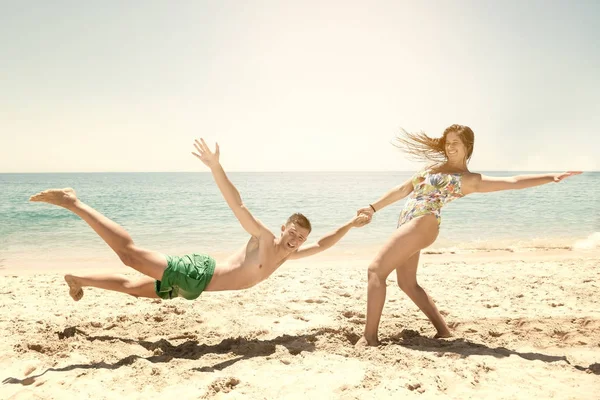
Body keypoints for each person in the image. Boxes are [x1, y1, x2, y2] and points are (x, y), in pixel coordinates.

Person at [29, 139, 368, 302]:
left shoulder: (291, 253)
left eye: (300, 237)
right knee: (129, 255)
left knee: (133, 288)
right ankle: (73, 202)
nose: (295, 240)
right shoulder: (265, 238)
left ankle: (78, 280)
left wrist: (351, 225)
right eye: (293, 232)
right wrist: (216, 168)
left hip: (195, 288)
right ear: (283, 228)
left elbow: (324, 244)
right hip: (197, 274)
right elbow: (239, 206)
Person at [354, 124, 581, 346]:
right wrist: (373, 208)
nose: (450, 147)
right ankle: (444, 331)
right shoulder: (432, 167)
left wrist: (551, 176)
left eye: (456, 143)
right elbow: (404, 190)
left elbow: (512, 182)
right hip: (407, 223)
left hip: (423, 222)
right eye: (447, 143)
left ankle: (370, 337)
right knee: (407, 283)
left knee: (376, 270)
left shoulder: (468, 179)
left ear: (467, 146)